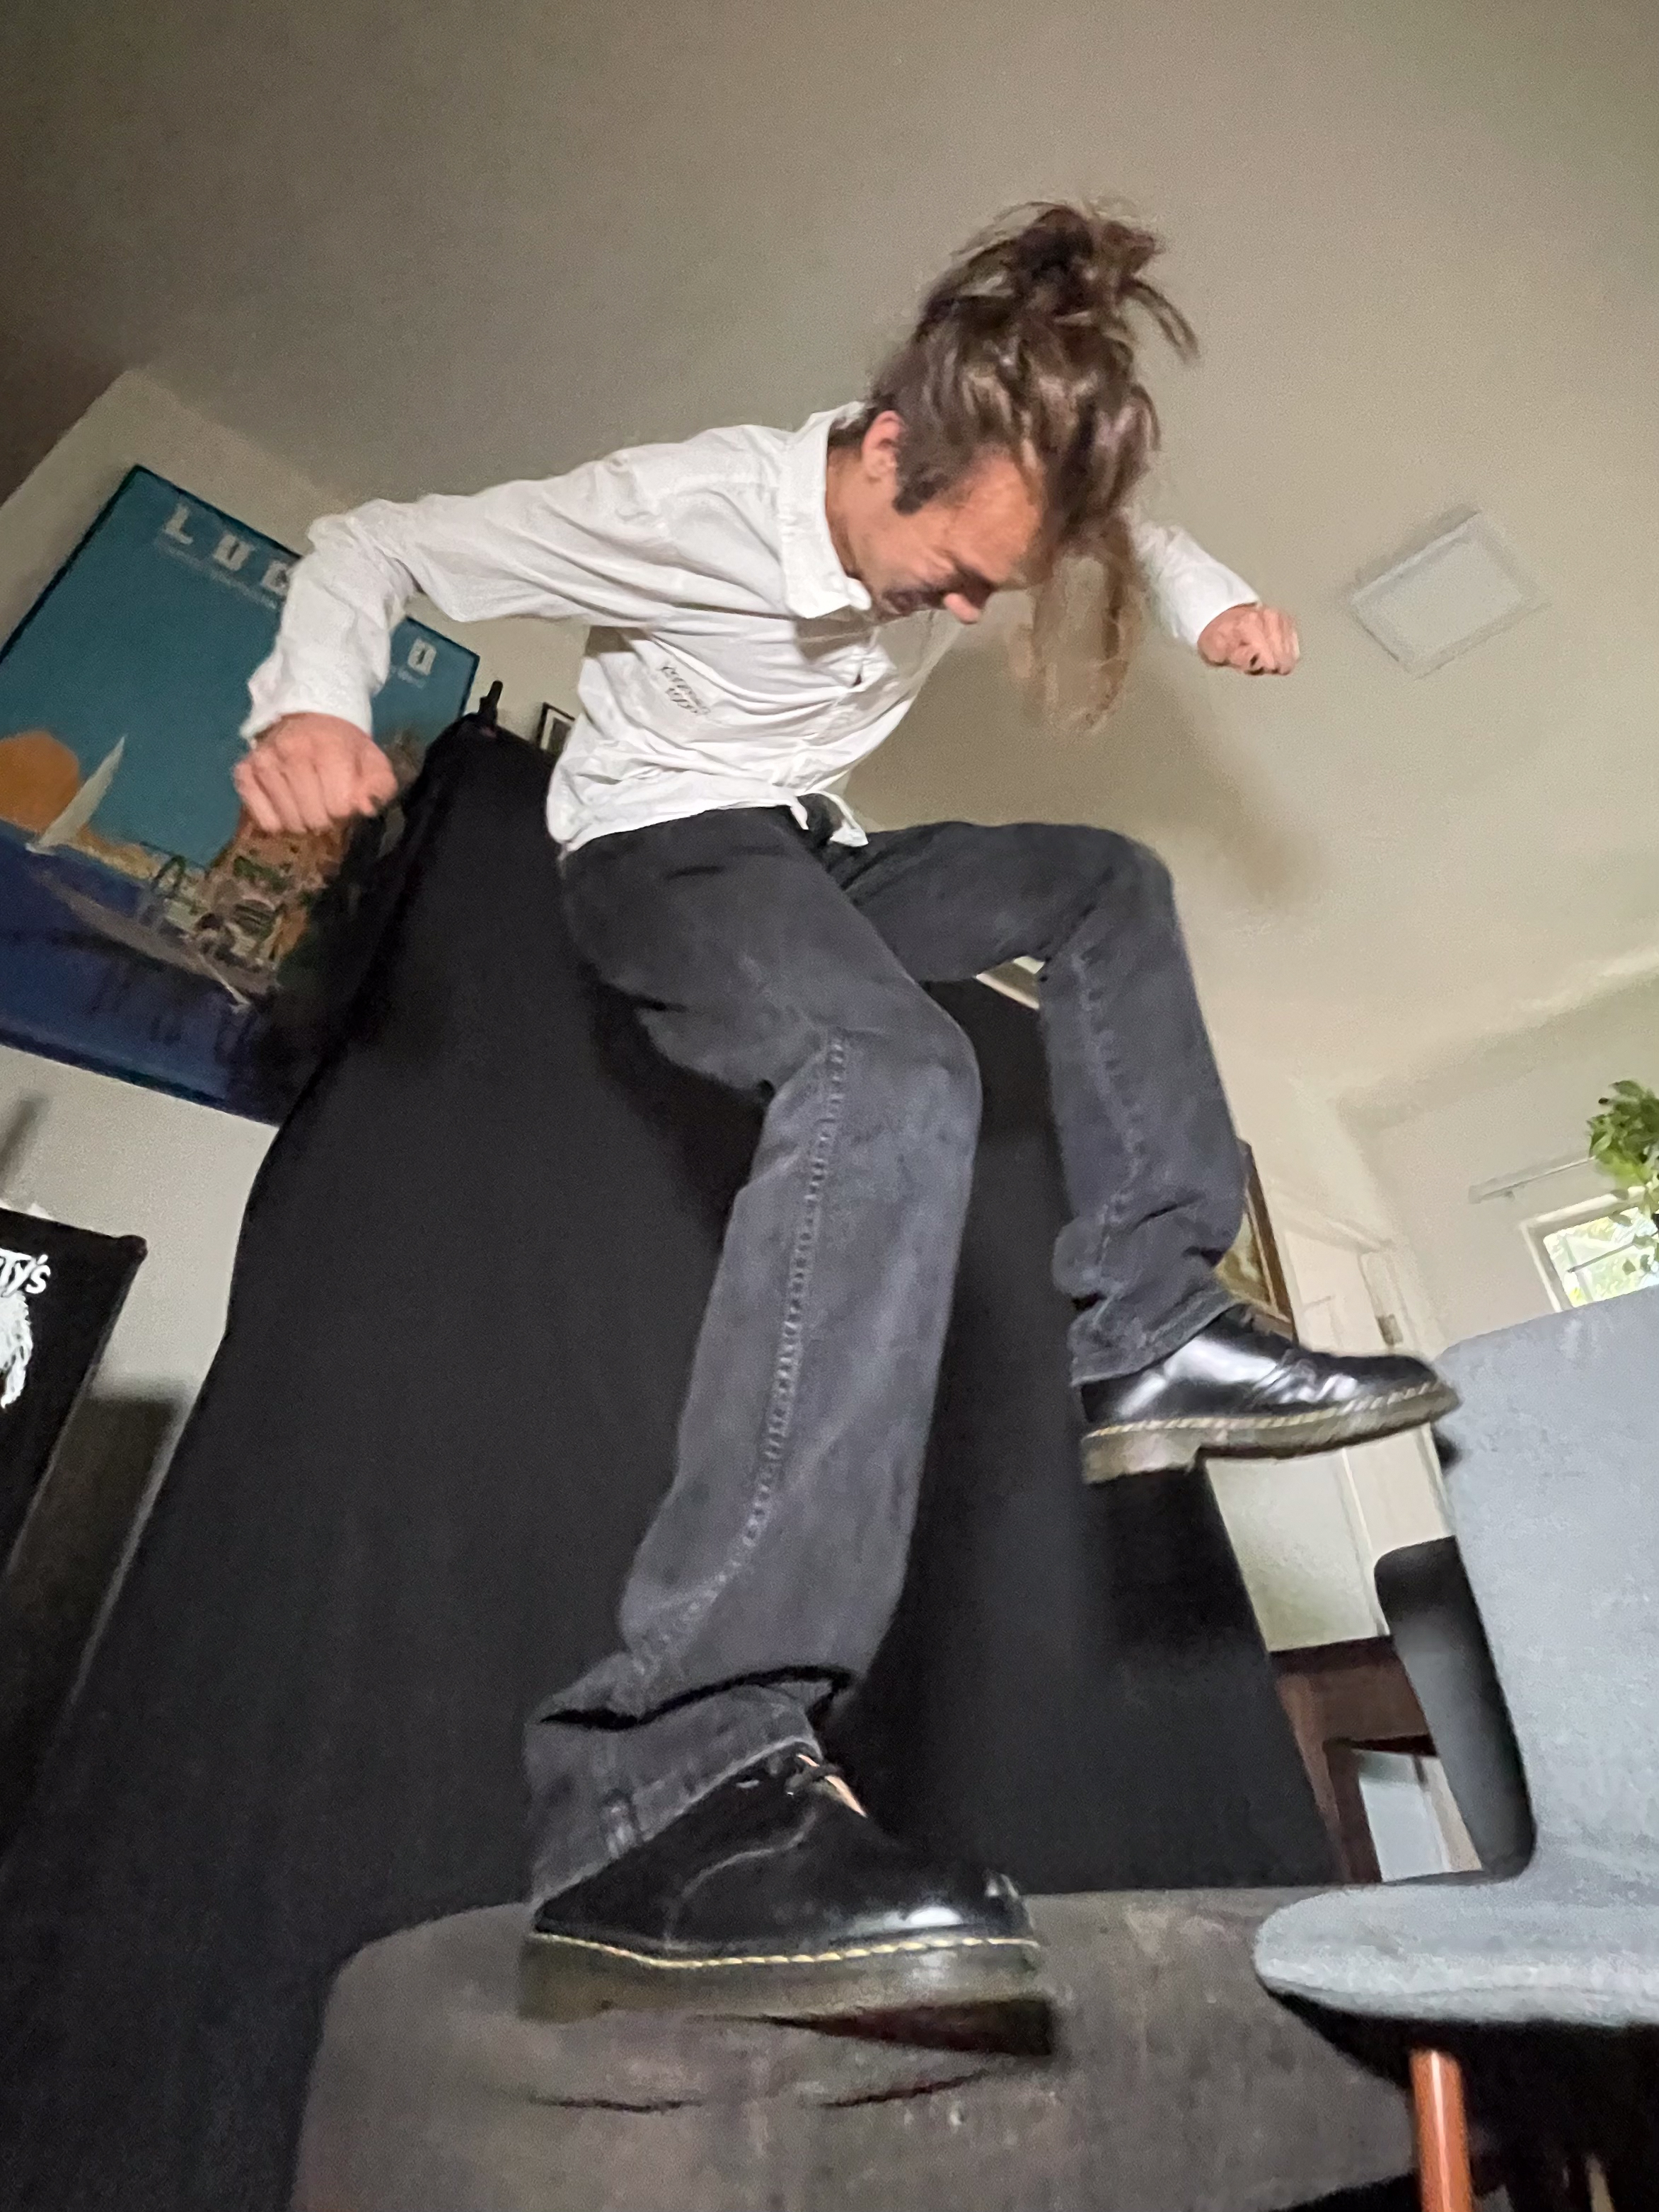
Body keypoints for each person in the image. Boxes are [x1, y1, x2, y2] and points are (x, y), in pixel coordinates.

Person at [237, 202, 1455, 2025]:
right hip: (660, 851)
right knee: (895, 1073)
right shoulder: (688, 505)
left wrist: (1215, 601)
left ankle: (1149, 1324)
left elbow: (1128, 526)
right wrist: (315, 702)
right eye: (947, 571)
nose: (959, 612)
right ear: (886, 446)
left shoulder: (998, 493)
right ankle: (667, 1779)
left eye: (993, 588)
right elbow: (381, 540)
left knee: (1103, 881)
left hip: (816, 857)